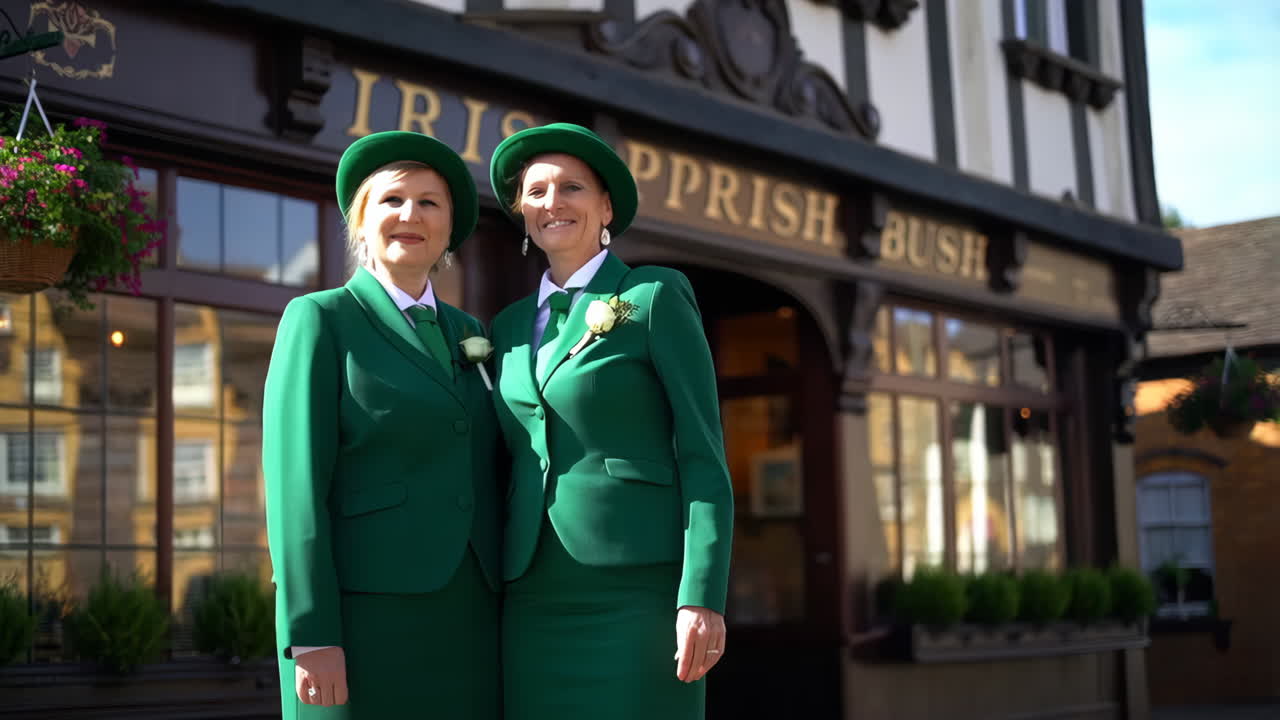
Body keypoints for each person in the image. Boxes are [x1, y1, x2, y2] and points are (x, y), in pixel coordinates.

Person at [487, 122, 734, 720]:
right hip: (531, 590)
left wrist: (701, 595)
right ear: (523, 214)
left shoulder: (652, 296)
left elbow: (703, 454)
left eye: (571, 187)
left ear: (605, 206)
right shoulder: (506, 327)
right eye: (536, 192)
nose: (552, 203)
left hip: (636, 590)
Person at [262, 131, 501, 718]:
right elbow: (296, 490)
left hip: (474, 612)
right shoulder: (320, 318)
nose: (409, 215)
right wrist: (311, 632)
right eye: (392, 200)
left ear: (449, 229)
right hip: (363, 615)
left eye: (429, 202)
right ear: (361, 222)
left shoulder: (469, 330)